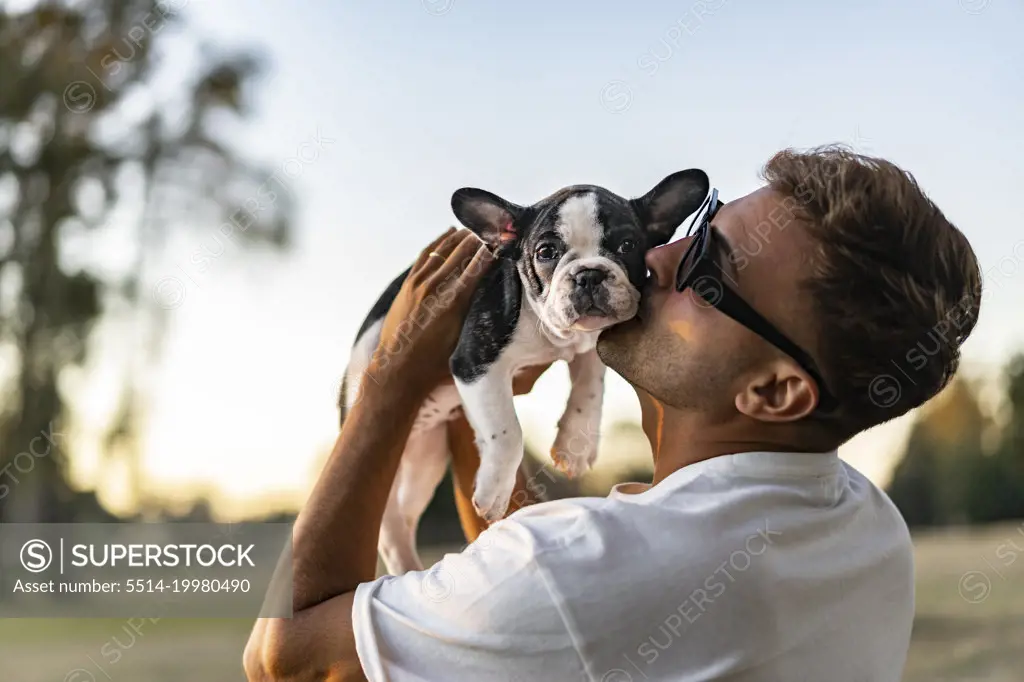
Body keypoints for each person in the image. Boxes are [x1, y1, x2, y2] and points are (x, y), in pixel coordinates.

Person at [243, 146, 982, 682]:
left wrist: (389, 386)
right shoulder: (867, 526)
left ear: (774, 392)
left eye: (705, 270)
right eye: (694, 226)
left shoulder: (584, 578)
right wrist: (478, 380)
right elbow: (540, 605)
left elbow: (286, 660)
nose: (653, 261)